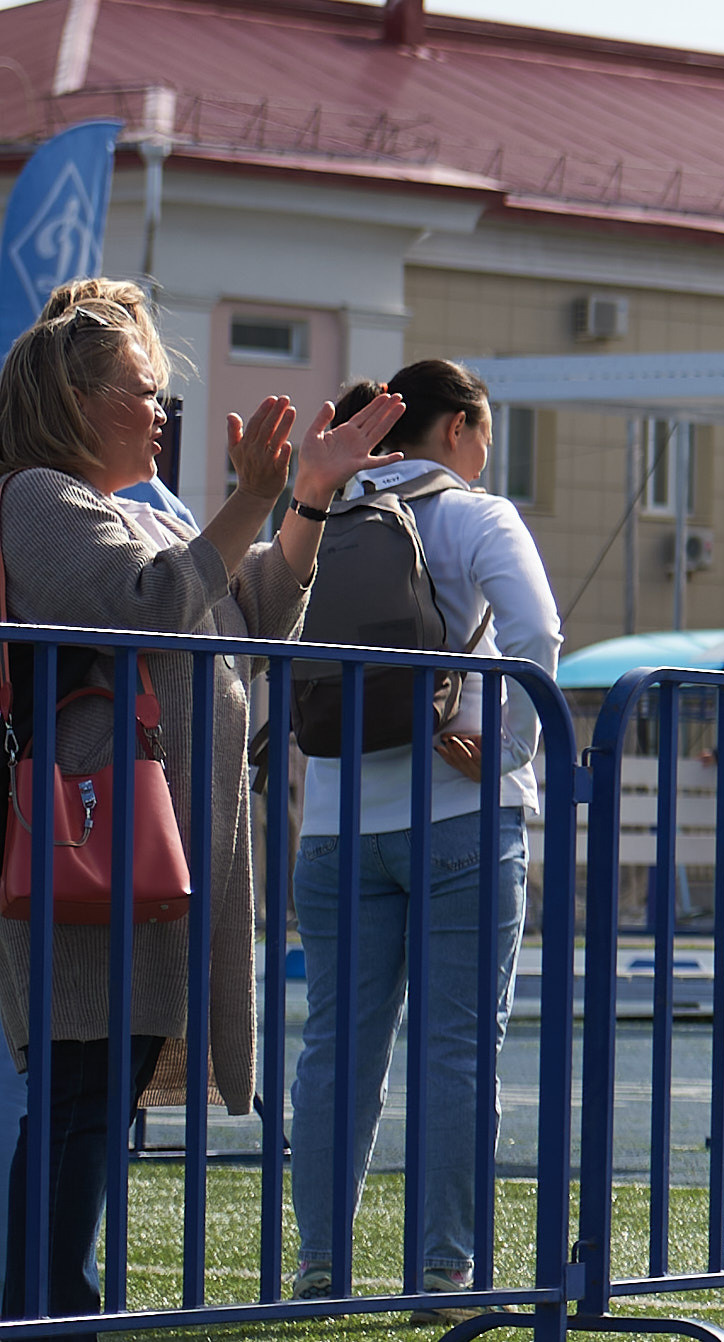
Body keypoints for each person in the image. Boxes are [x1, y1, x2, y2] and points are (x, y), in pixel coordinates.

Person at [0, 298, 401, 1328]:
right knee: (82, 1091)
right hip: (87, 841)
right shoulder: (40, 496)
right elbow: (144, 605)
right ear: (76, 400)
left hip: (146, 846)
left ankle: (51, 1303)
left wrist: (302, 499)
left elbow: (250, 606)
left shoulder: (139, 505)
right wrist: (245, 499)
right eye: (144, 389)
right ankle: (44, 1310)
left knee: (99, 1090)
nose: (161, 409)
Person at [287, 360, 562, 1323]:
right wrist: (508, 750)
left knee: (335, 1049)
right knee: (457, 1050)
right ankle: (442, 1275)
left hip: (331, 825)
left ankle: (321, 1271)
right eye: (484, 434)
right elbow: (536, 631)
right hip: (458, 814)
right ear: (458, 431)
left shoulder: (319, 518)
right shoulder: (477, 516)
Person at [37, 281, 197, 529]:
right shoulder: (154, 506)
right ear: (77, 401)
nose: (159, 415)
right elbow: (198, 567)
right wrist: (252, 497)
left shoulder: (18, 485)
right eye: (145, 392)